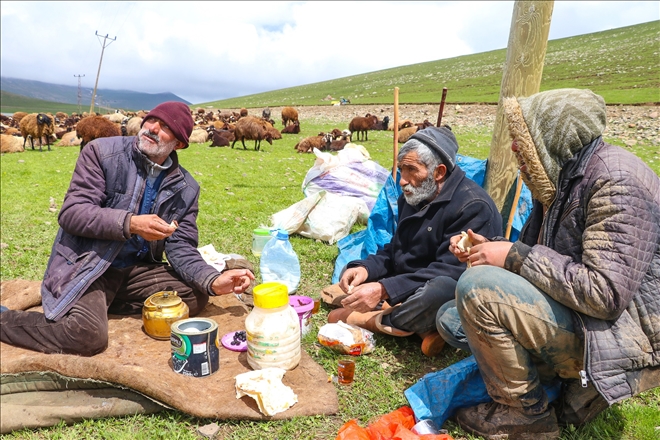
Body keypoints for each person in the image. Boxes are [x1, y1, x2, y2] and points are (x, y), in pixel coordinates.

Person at [437, 89, 660, 439]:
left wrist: (512, 256)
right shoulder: (559, 177)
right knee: (452, 318)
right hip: (579, 315)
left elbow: (604, 294)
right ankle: (565, 385)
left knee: (476, 291)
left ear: (553, 135)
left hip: (621, 334)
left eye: (521, 138)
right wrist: (491, 248)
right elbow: (535, 253)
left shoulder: (617, 182)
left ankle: (526, 417)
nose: (514, 149)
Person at [0, 102, 255, 356]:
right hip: (89, 265)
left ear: (178, 144)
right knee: (87, 336)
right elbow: (72, 213)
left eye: (165, 127)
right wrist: (131, 223)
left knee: (195, 296)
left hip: (134, 270)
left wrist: (212, 280)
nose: (153, 128)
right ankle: (6, 320)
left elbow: (181, 247)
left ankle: (102, 303)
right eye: (152, 120)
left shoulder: (186, 188)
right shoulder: (101, 153)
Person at [327, 126, 502, 357]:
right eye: (401, 170)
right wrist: (366, 269)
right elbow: (396, 250)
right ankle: (419, 328)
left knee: (440, 292)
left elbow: (452, 272)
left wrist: (383, 289)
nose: (402, 180)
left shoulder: (472, 206)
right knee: (353, 280)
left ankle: (373, 320)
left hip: (445, 287)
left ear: (438, 172)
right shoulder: (414, 195)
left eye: (411, 170)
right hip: (410, 283)